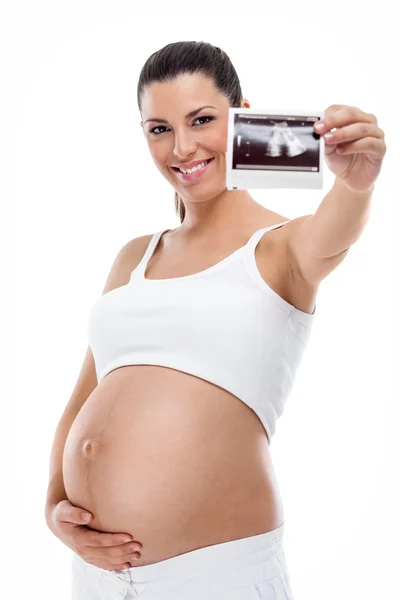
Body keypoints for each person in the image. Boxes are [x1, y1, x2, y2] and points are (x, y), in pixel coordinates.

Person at [46, 40, 324, 600]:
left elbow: (342, 224)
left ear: (243, 113)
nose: (182, 146)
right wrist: (54, 509)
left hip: (213, 575)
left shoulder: (283, 246)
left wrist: (358, 179)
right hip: (97, 576)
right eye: (159, 129)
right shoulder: (135, 256)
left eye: (202, 120)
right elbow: (83, 397)